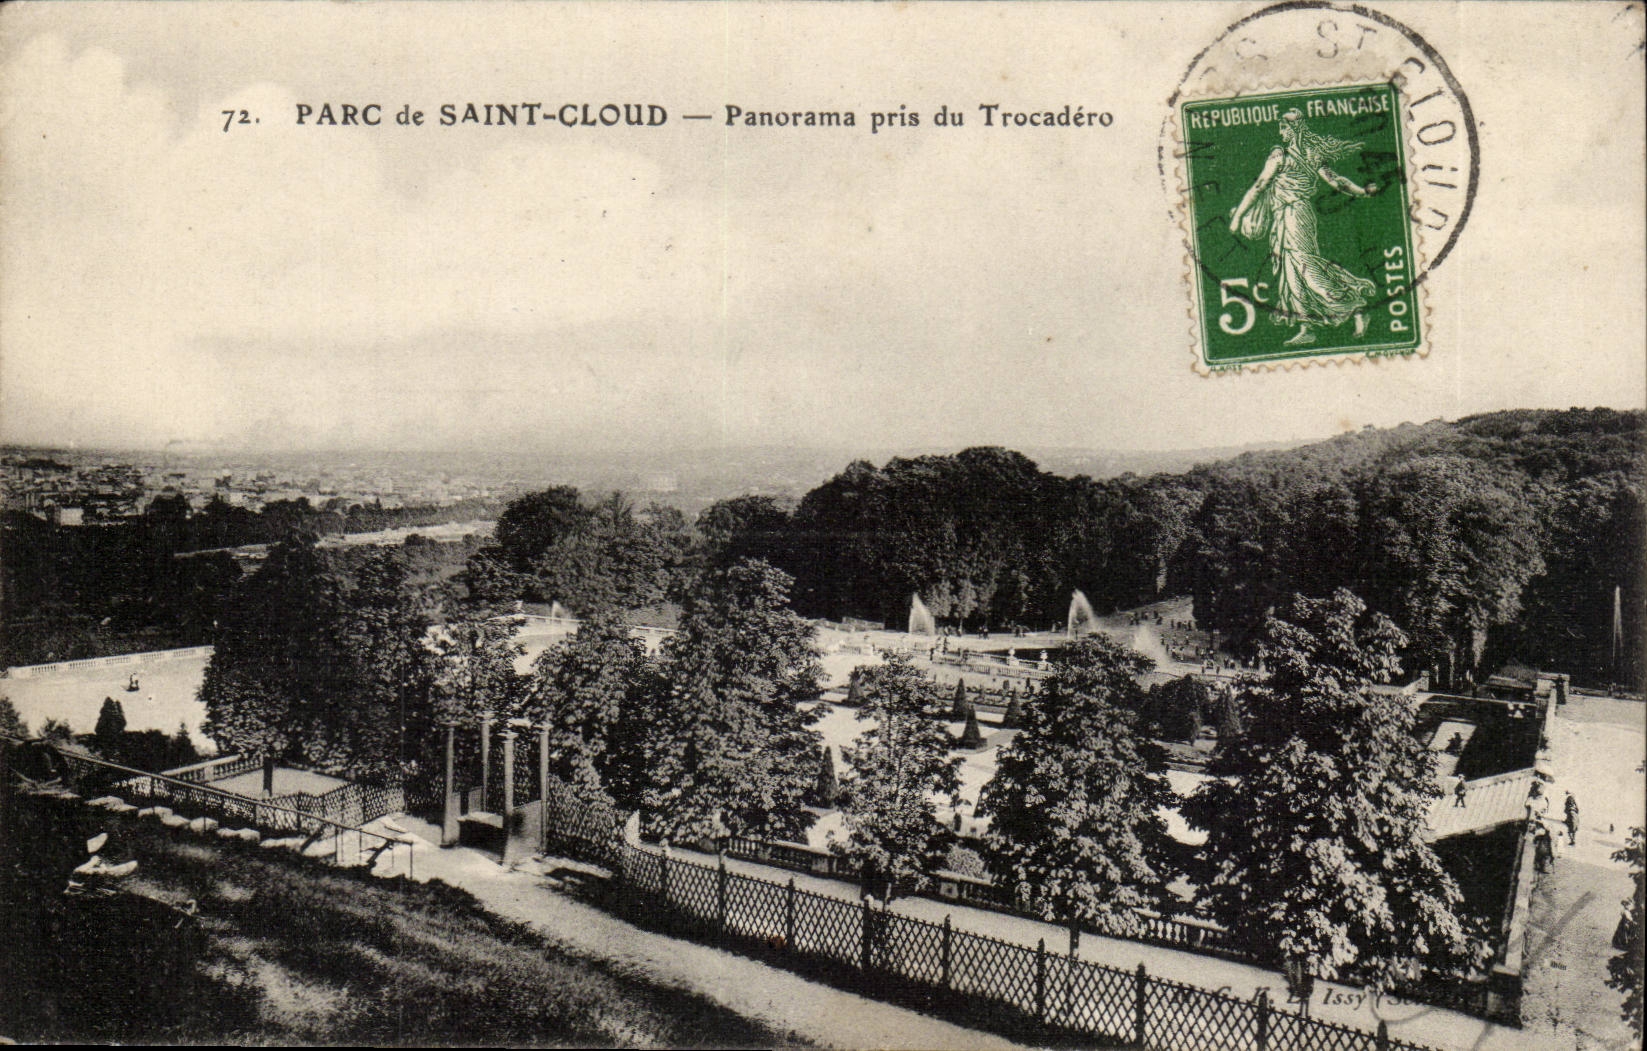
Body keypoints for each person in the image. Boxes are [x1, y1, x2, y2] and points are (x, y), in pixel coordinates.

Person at [1228, 109, 1380, 346]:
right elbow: (1337, 181)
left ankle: (1355, 308)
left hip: (1293, 216)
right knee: (1291, 273)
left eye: (1283, 127)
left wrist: (1238, 216)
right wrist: (1362, 192)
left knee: (1305, 268)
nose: (1280, 132)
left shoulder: (1281, 156)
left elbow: (1259, 186)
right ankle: (1307, 327)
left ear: (1293, 129)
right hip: (1291, 216)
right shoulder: (1312, 154)